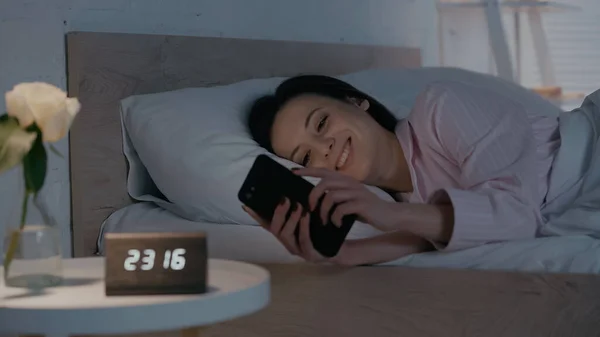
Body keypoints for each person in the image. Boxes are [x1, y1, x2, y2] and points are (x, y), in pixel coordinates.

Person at [242, 75, 561, 266]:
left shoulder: (440, 108)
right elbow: (439, 233)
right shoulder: (406, 203)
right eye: (307, 158)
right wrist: (340, 254)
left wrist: (387, 214)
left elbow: (517, 216)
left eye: (322, 123)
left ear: (355, 102)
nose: (324, 147)